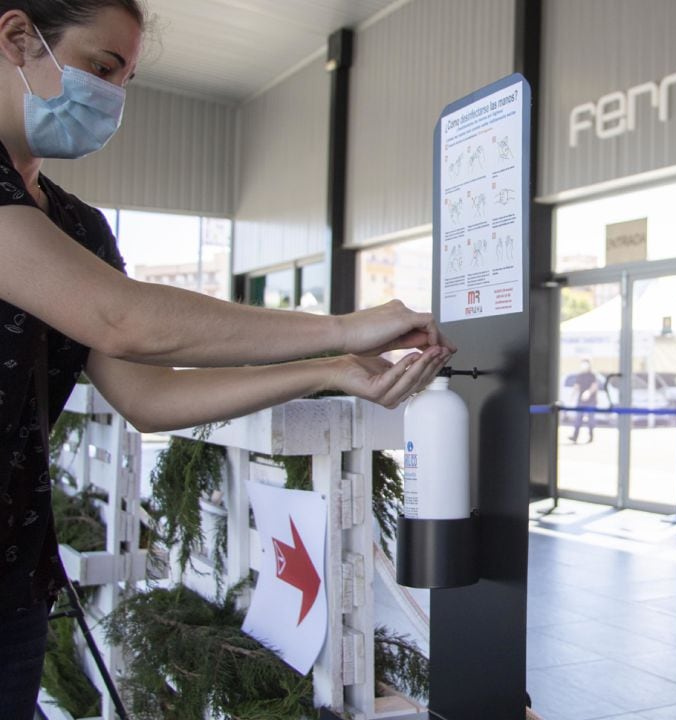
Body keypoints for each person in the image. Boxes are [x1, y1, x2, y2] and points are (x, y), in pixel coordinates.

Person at [0, 3, 454, 716]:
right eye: (101, 67)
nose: (113, 96)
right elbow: (124, 320)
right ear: (18, 38)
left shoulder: (77, 226)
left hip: (15, 583)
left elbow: (147, 395)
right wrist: (341, 327)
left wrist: (326, 371)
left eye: (127, 77)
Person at [568, 359, 599, 443]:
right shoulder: (580, 375)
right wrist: (572, 396)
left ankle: (591, 436)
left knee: (591, 419)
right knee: (578, 418)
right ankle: (575, 436)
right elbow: (577, 386)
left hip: (591, 400)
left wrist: (588, 392)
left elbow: (594, 386)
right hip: (581, 400)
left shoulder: (592, 375)